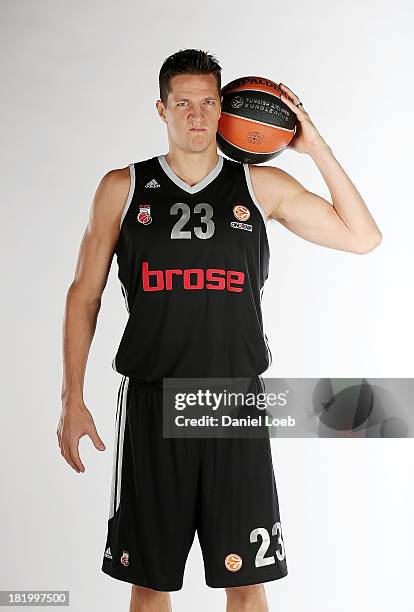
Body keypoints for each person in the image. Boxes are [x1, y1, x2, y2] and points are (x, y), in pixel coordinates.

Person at [57, 48, 382, 612]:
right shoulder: (123, 187)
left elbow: (362, 236)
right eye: (183, 103)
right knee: (151, 583)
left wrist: (314, 147)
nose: (197, 115)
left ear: (223, 107)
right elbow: (84, 294)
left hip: (233, 402)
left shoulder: (259, 186)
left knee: (246, 583)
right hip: (154, 400)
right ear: (161, 109)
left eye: (208, 102)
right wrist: (72, 398)